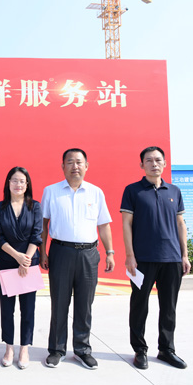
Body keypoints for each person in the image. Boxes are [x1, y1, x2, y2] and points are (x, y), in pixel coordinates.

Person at [40, 148, 115, 370]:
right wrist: (43, 252)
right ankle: (56, 349)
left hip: (89, 255)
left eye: (79, 162)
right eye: (70, 162)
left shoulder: (96, 193)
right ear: (62, 166)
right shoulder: (51, 191)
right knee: (59, 303)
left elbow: (103, 225)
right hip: (60, 252)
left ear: (86, 166)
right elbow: (43, 225)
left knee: (85, 304)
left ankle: (82, 350)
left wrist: (110, 252)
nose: (75, 166)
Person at [121, 146, 190, 370]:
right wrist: (130, 255)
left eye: (158, 160)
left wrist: (184, 255)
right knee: (139, 305)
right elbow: (126, 224)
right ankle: (139, 349)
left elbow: (180, 224)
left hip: (171, 258)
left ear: (165, 163)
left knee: (169, 307)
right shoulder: (133, 191)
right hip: (142, 259)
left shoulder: (174, 191)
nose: (154, 164)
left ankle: (166, 349)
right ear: (142, 164)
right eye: (149, 160)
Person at [0, 167, 42, 370]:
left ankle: (24, 348)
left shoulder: (35, 206)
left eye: (22, 181)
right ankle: (9, 348)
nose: (18, 184)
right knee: (7, 308)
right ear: (8, 183)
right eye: (14, 180)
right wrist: (17, 257)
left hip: (29, 263)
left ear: (27, 184)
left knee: (28, 308)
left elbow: (37, 235)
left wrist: (26, 259)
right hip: (6, 261)